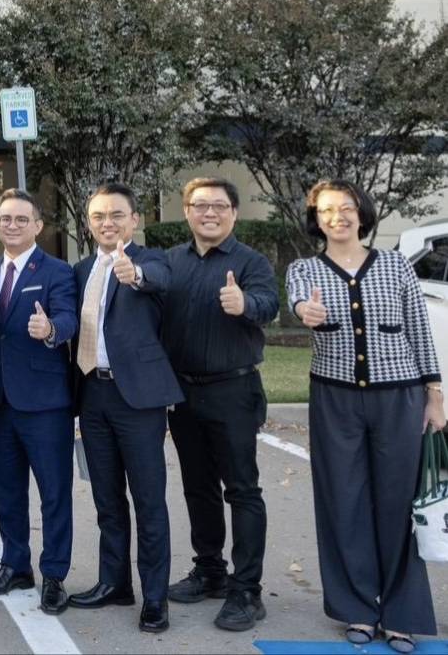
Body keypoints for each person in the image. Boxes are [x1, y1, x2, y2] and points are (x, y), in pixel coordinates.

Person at [287, 179, 443, 654]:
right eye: (327, 210)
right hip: (334, 401)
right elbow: (299, 303)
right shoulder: (303, 269)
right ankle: (357, 607)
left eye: (346, 207)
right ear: (316, 220)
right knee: (343, 501)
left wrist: (434, 395)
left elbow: (419, 329)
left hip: (399, 399)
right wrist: (307, 311)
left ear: (362, 213)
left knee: (398, 505)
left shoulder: (395, 264)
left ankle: (401, 615)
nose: (338, 217)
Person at [161, 178, 279, 632]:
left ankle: (246, 590)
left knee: (242, 490)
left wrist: (244, 302)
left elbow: (268, 304)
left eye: (219, 205)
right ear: (187, 211)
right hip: (183, 393)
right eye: (200, 205)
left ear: (233, 212)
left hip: (234, 391)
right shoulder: (171, 261)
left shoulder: (250, 261)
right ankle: (210, 570)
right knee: (198, 487)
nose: (209, 213)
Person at [67, 181, 182, 633]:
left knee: (149, 500)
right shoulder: (81, 269)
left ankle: (155, 597)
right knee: (107, 497)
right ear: (89, 223)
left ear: (135, 219)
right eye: (98, 216)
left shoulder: (152, 261)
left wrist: (134, 274)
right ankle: (114, 582)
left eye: (117, 215)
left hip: (138, 399)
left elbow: (160, 281)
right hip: (92, 394)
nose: (107, 223)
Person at [0, 188, 78, 615]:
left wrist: (51, 329)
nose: (12, 225)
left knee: (54, 492)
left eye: (22, 219)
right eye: (5, 218)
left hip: (45, 403)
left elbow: (69, 318)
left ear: (38, 225)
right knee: (7, 491)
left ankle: (54, 574)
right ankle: (15, 565)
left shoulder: (57, 271)